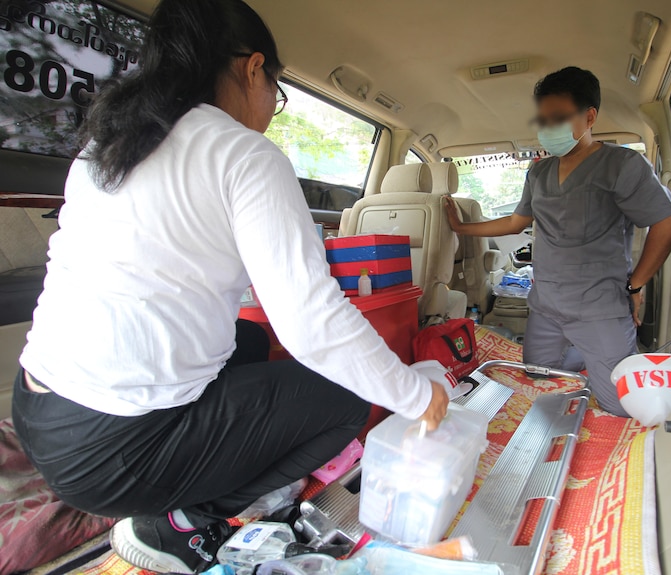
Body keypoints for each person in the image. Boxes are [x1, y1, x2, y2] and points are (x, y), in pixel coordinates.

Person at [11, 0, 449, 572]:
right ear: (251, 68)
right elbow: (313, 323)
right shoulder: (244, 154)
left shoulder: (110, 147)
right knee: (345, 400)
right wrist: (419, 397)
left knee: (244, 342)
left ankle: (177, 492)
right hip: (113, 453)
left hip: (39, 412)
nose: (271, 107)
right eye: (277, 90)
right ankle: (177, 524)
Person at [446, 66, 671, 417]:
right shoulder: (538, 172)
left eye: (557, 118)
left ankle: (605, 355)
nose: (547, 129)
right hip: (547, 304)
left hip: (599, 307)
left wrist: (636, 286)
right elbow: (516, 221)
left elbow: (668, 224)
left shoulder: (621, 164)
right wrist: (462, 228)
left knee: (619, 406)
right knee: (536, 372)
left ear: (589, 117)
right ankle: (589, 355)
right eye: (543, 120)